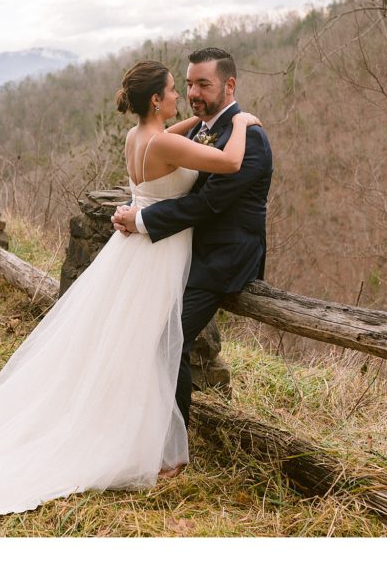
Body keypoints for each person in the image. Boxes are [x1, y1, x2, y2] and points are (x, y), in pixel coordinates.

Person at [0, 58, 262, 523]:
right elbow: (230, 161)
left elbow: (177, 134)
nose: (183, 96)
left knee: (132, 341)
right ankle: (147, 444)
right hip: (159, 255)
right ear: (158, 100)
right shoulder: (168, 142)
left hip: (138, 252)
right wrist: (240, 120)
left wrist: (202, 122)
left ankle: (135, 431)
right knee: (155, 343)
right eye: (175, 90)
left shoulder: (137, 137)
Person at [112, 47, 273, 463]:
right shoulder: (202, 130)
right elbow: (171, 147)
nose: (193, 93)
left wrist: (141, 220)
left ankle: (170, 450)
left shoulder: (248, 137)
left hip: (223, 258)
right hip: (181, 251)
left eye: (203, 84)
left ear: (229, 85)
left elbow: (206, 206)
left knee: (169, 339)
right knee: (151, 336)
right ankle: (147, 437)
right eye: (186, 85)